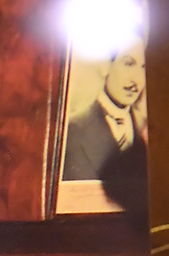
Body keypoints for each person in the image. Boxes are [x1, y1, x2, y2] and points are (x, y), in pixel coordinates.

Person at [62, 36, 146, 182]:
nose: (136, 80)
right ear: (105, 66)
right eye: (128, 64)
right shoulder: (73, 130)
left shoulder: (145, 128)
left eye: (145, 67)